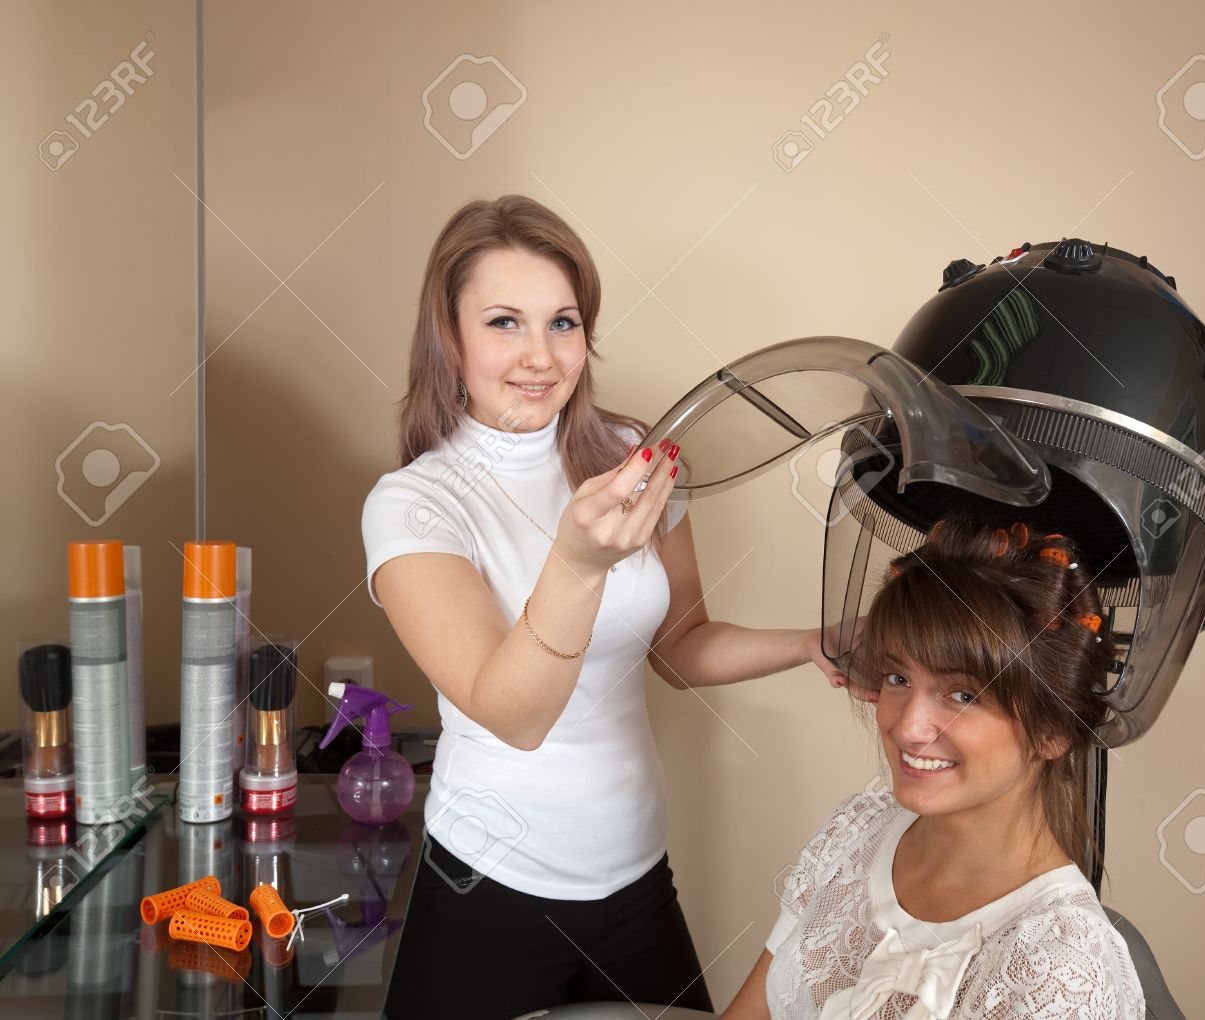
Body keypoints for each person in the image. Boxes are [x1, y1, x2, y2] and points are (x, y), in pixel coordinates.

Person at [363, 194, 847, 1019]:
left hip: (634, 880)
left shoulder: (632, 459)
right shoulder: (413, 505)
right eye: (505, 322)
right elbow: (512, 713)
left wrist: (811, 642)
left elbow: (680, 645)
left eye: (564, 322)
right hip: (488, 887)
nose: (540, 356)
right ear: (449, 335)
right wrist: (579, 563)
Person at [723, 516, 1146, 1019]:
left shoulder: (1060, 970)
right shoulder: (857, 832)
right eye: (898, 677)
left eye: (963, 695)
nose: (908, 729)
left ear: (1053, 732)